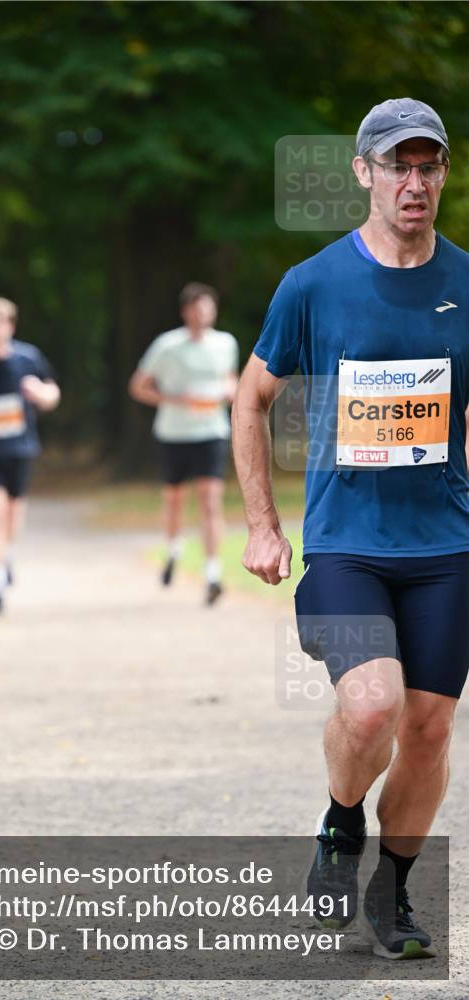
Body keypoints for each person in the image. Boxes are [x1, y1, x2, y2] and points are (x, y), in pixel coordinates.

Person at [232, 98, 468, 960]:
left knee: (431, 726)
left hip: (445, 546)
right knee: (369, 707)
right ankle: (339, 827)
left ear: (441, 174)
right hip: (344, 546)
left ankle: (392, 894)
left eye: (428, 165)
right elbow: (249, 398)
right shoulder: (312, 284)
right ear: (364, 172)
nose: (414, 182)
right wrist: (261, 526)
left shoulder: (466, 283)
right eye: (397, 165)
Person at [129, 283, 239, 606]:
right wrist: (176, 399)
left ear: (214, 311)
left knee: (210, 503)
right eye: (195, 307)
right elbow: (138, 387)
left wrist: (228, 391)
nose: (201, 313)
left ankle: (213, 574)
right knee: (175, 500)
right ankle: (174, 548)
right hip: (173, 434)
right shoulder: (167, 345)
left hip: (211, 432)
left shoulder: (225, 343)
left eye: (206, 307)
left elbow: (230, 377)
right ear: (185, 311)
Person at [0, 296, 60, 613]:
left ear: (10, 327)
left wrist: (42, 395)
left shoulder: (28, 359)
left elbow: (52, 391)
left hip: (20, 448)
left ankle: (7, 553)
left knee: (13, 517)